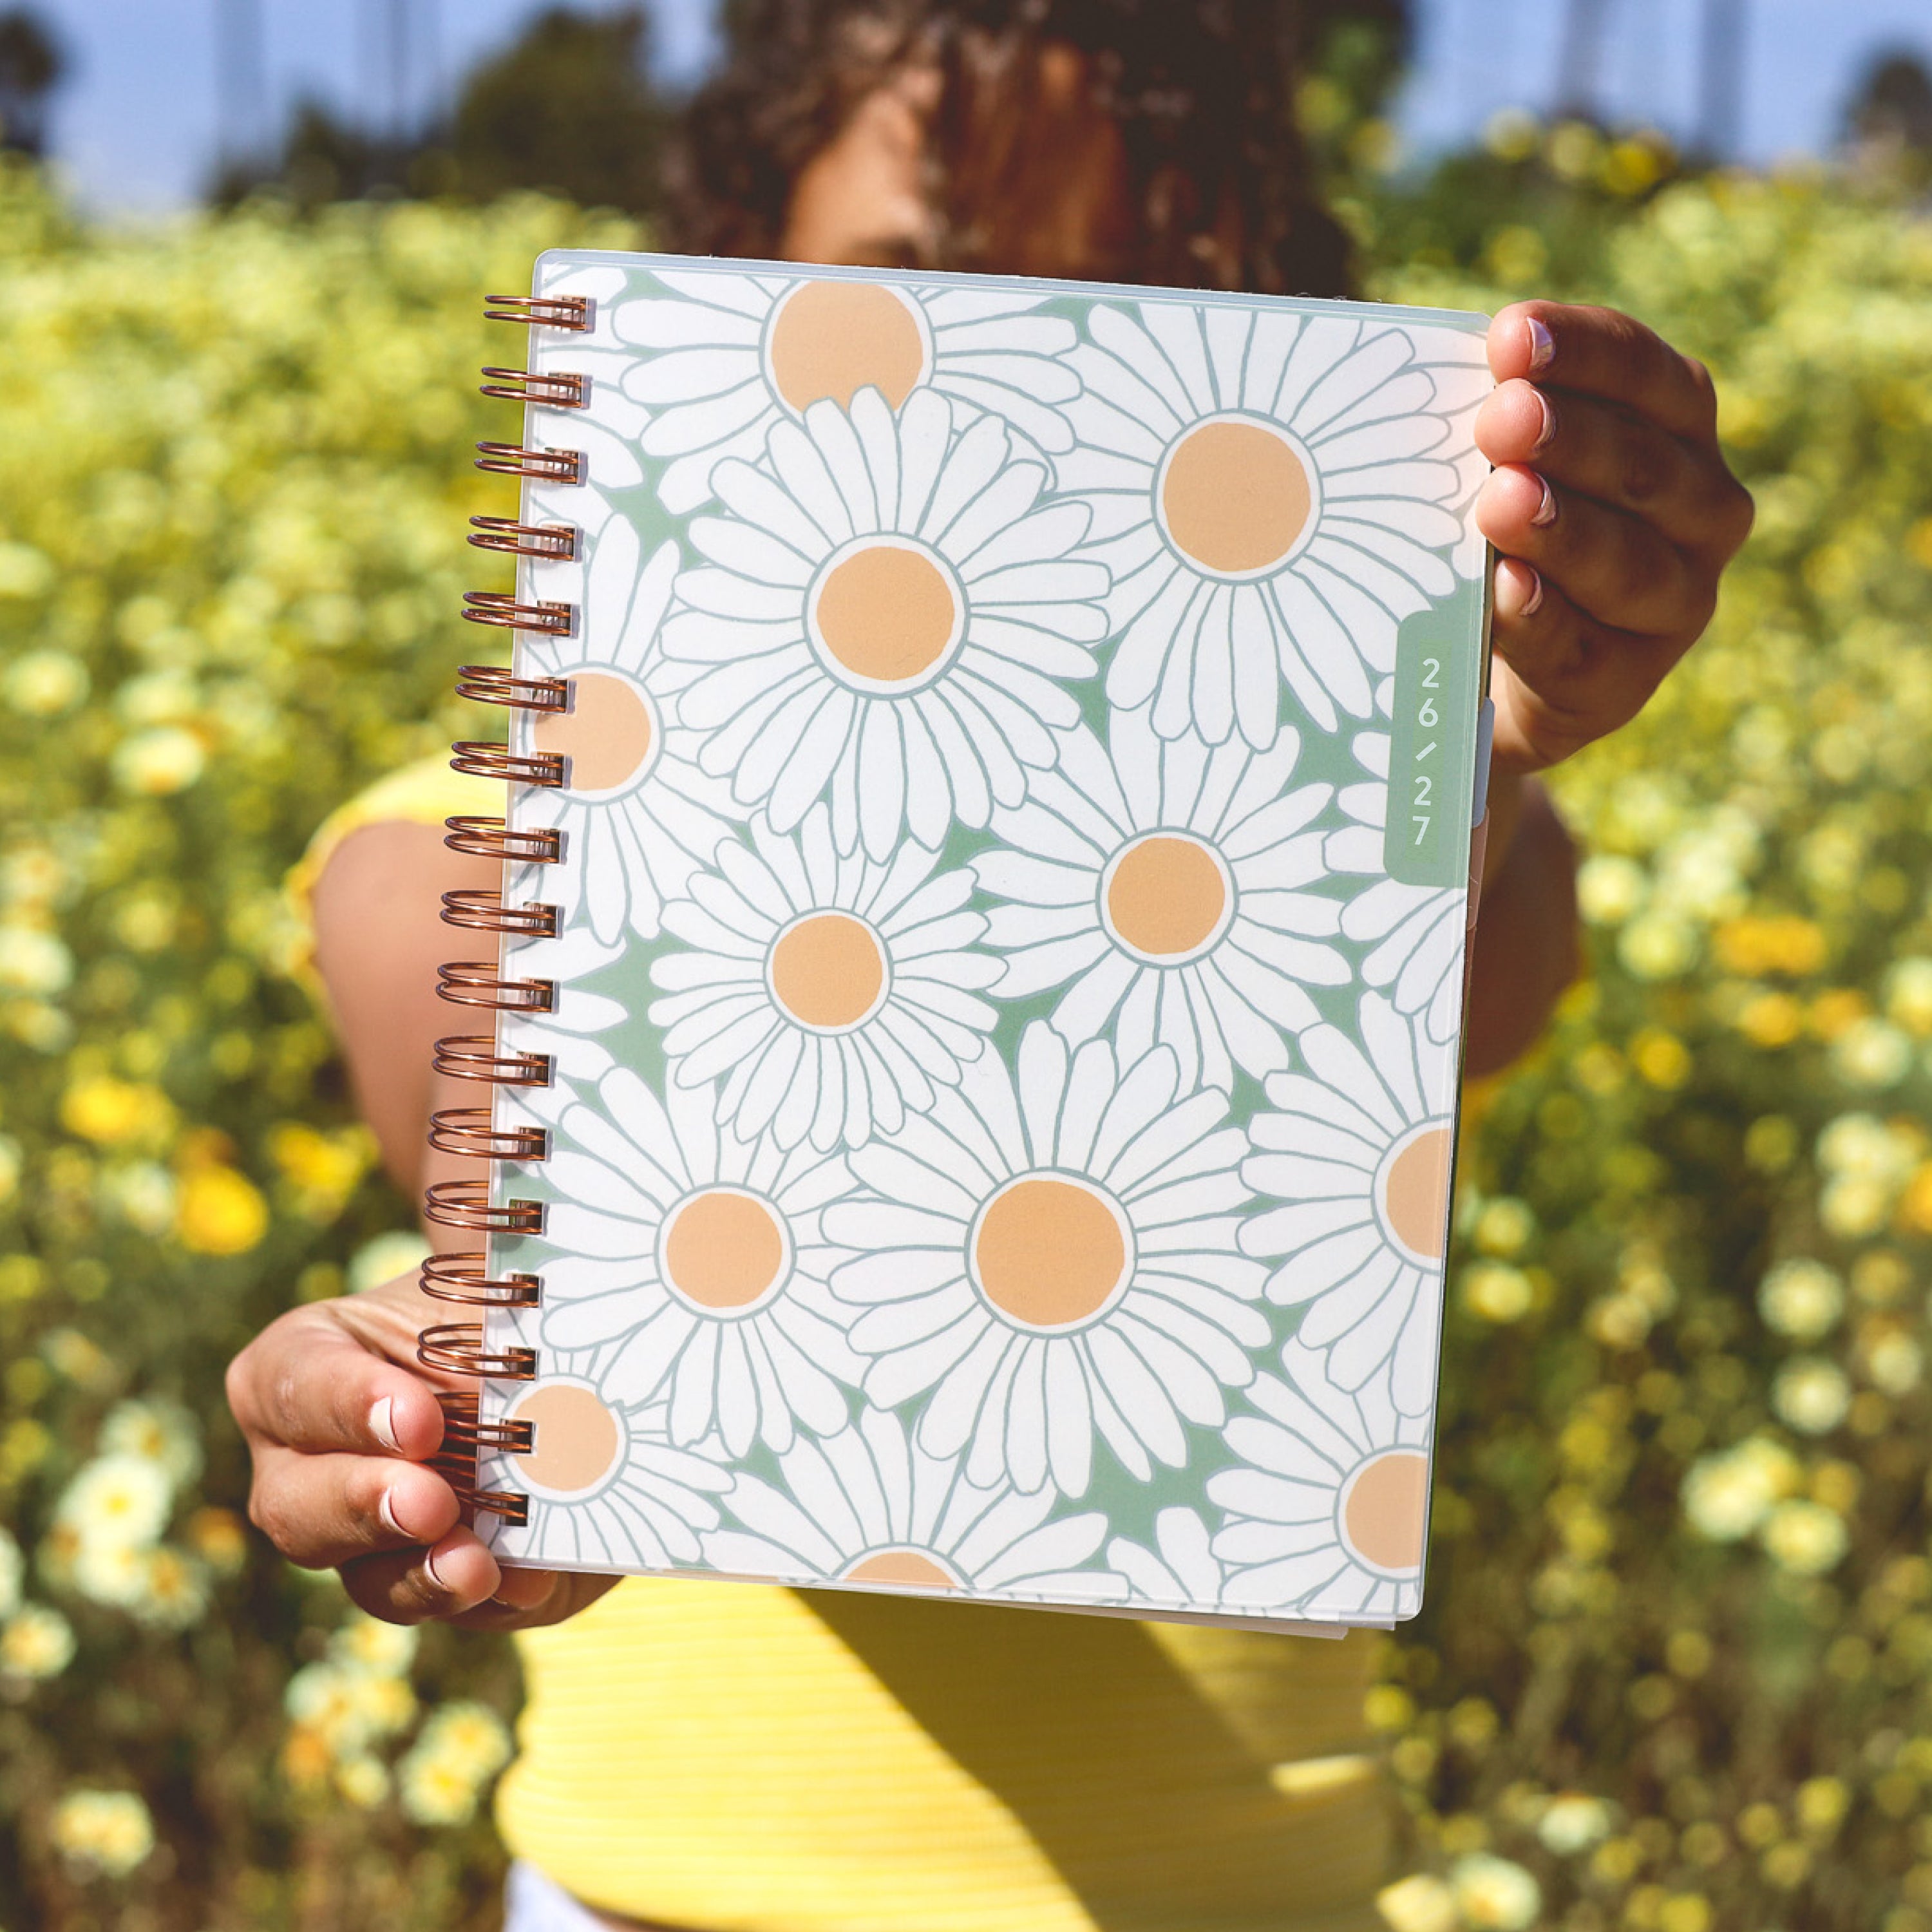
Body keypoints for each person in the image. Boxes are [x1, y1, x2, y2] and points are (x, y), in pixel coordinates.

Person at [227, 5, 1754, 1929]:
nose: (996, 359)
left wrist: (1483, 740)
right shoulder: (450, 854)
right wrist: (455, 1417)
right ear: (724, 281)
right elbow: (511, 1165)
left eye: (1113, 300)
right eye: (906, 282)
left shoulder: (1399, 822)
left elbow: (1466, 996)